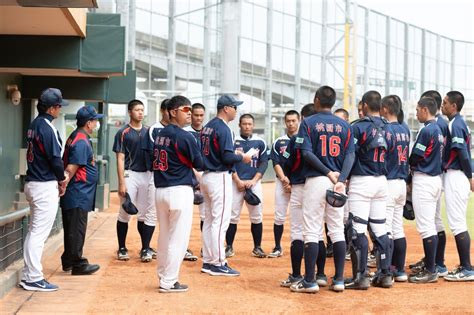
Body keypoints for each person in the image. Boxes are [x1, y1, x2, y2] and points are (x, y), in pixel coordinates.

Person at [291, 86, 355, 293]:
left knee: (312, 229)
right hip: (338, 182)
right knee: (336, 229)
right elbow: (350, 156)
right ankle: (338, 280)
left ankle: (310, 280)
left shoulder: (308, 123)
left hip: (318, 179)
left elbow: (307, 154)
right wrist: (341, 179)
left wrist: (328, 172)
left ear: (317, 100)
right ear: (333, 102)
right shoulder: (344, 125)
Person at [19, 88, 69, 291]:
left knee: (33, 232)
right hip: (43, 185)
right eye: (58, 106)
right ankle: (33, 277)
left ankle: (28, 275)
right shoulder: (47, 128)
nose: (59, 109)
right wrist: (62, 179)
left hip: (33, 182)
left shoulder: (34, 124)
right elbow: (55, 160)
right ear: (51, 108)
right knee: (38, 234)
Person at [153, 96, 204, 293]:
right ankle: (169, 281)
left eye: (190, 109)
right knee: (178, 239)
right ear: (173, 112)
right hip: (179, 191)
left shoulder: (160, 134)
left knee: (165, 236)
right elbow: (199, 164)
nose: (189, 113)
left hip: (161, 191)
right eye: (185, 109)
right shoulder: (185, 136)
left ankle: (162, 275)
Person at [346, 90, 395, 290]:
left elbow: (350, 156)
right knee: (380, 229)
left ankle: (361, 277)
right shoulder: (389, 128)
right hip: (382, 181)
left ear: (365, 105)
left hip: (362, 181)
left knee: (357, 230)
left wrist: (342, 179)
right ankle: (385, 275)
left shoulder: (358, 127)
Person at [200, 95, 252, 276]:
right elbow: (227, 158)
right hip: (219, 176)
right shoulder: (224, 128)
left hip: (207, 176)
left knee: (209, 220)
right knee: (220, 222)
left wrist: (233, 153)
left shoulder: (208, 126)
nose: (236, 111)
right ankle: (218, 263)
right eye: (234, 107)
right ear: (226, 109)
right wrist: (242, 157)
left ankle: (208, 260)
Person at [409, 90, 449, 276]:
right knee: (431, 224)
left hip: (424, 179)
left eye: (418, 110)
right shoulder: (438, 129)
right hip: (435, 179)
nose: (416, 113)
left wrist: (408, 169)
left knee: (426, 227)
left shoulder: (427, 130)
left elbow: (416, 155)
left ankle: (431, 269)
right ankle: (431, 266)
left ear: (425, 110)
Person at [60, 105, 103, 276]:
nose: (96, 123)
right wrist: (64, 184)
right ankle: (78, 264)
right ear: (88, 123)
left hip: (77, 192)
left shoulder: (76, 136)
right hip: (77, 192)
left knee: (72, 228)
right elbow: (71, 168)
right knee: (76, 228)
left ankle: (69, 260)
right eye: (95, 120)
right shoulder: (81, 140)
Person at [113, 100, 156, 262]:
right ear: (130, 112)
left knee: (144, 213)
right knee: (125, 211)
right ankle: (122, 248)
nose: (140, 112)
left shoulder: (149, 131)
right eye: (137, 110)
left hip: (147, 174)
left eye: (142, 110)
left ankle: (145, 248)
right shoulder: (123, 132)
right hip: (130, 174)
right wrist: (121, 182)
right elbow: (120, 158)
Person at [279, 103, 317, 288]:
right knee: (317, 232)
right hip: (319, 185)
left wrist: (289, 177)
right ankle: (321, 274)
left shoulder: (297, 138)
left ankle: (296, 275)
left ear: (303, 119)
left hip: (300, 186)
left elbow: (286, 161)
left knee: (297, 232)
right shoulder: (321, 135)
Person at [440, 91, 474, 281]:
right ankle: (465, 265)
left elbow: (461, 152)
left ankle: (467, 268)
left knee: (457, 222)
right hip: (456, 174)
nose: (442, 105)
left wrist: (470, 176)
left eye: (445, 103)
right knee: (457, 221)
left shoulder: (456, 124)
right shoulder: (458, 123)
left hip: (457, 175)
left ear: (454, 106)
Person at [225, 114, 268, 258]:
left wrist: (254, 180)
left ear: (253, 125)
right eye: (244, 124)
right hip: (235, 182)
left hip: (253, 183)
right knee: (232, 216)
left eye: (250, 124)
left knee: (256, 216)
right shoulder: (233, 141)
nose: (247, 126)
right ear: (239, 125)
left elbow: (264, 163)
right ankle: (229, 247)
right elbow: (229, 162)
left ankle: (257, 247)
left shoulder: (260, 142)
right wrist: (237, 180)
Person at [380, 95, 410, 282]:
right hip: (401, 181)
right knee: (398, 228)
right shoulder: (405, 129)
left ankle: (388, 269)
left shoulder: (386, 130)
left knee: (387, 227)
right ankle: (400, 270)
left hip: (389, 181)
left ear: (385, 109)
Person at [268, 110, 300, 258]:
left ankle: (301, 246)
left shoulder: (303, 139)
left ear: (298, 121)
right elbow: (275, 162)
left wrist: (293, 182)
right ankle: (277, 246)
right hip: (283, 183)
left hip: (299, 184)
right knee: (279, 216)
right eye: (288, 121)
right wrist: (284, 179)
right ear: (285, 122)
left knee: (299, 216)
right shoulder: (279, 141)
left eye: (294, 120)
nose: (291, 123)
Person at [184, 103, 207, 234]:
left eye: (201, 115)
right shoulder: (185, 132)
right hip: (187, 175)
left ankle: (205, 246)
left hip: (205, 175)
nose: (198, 118)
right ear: (191, 115)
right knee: (185, 215)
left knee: (205, 215)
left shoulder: (208, 132)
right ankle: (184, 248)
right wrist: (195, 173)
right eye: (196, 115)